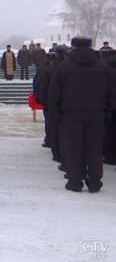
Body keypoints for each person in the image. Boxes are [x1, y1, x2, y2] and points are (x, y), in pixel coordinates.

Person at [48, 37, 116, 193]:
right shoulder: (103, 68)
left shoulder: (63, 68)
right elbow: (111, 93)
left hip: (71, 114)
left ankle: (75, 181)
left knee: (73, 148)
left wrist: (57, 115)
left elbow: (54, 94)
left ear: (73, 47)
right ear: (91, 47)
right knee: (95, 148)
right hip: (97, 113)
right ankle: (94, 182)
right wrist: (107, 113)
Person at [38, 46, 69, 164]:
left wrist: (45, 104)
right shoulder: (65, 68)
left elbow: (42, 88)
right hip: (69, 106)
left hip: (54, 104)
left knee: (55, 130)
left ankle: (58, 154)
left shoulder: (50, 69)